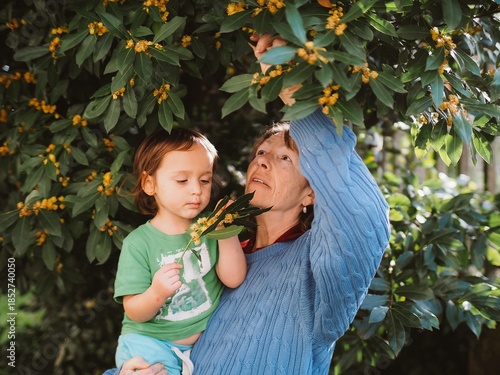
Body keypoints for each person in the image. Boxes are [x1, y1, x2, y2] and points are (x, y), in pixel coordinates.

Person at [105, 33, 390, 375]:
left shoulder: (314, 268)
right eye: (260, 153)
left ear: (311, 193)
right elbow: (163, 344)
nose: (264, 162)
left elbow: (362, 217)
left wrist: (291, 88)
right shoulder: (216, 249)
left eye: (285, 157)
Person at [113, 127, 247, 375]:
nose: (196, 189)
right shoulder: (139, 243)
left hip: (201, 348)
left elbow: (234, 278)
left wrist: (226, 230)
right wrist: (157, 293)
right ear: (149, 184)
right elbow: (133, 310)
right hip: (151, 346)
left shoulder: (209, 228)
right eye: (182, 180)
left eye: (205, 180)